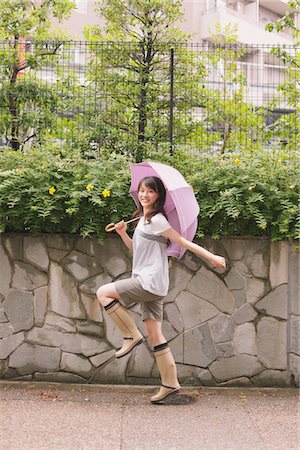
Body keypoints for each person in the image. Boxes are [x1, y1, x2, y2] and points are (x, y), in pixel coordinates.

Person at [96, 176, 226, 404]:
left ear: (158, 196)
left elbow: (183, 242)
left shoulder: (158, 221)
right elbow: (137, 250)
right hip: (152, 282)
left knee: (103, 293)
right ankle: (170, 384)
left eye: (150, 191)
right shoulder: (142, 220)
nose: (144, 195)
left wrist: (211, 257)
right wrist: (123, 233)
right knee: (155, 335)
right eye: (141, 191)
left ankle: (130, 335)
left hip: (149, 282)